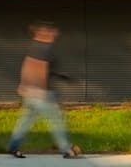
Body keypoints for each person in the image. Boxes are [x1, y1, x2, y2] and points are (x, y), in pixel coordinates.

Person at [7, 21, 83, 159]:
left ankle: (13, 145)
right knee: (56, 120)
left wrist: (25, 85)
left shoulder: (33, 47)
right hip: (41, 93)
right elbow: (39, 69)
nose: (55, 33)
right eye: (52, 31)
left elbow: (28, 67)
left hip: (30, 92)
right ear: (44, 32)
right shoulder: (45, 49)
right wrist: (41, 91)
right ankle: (67, 149)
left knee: (25, 120)